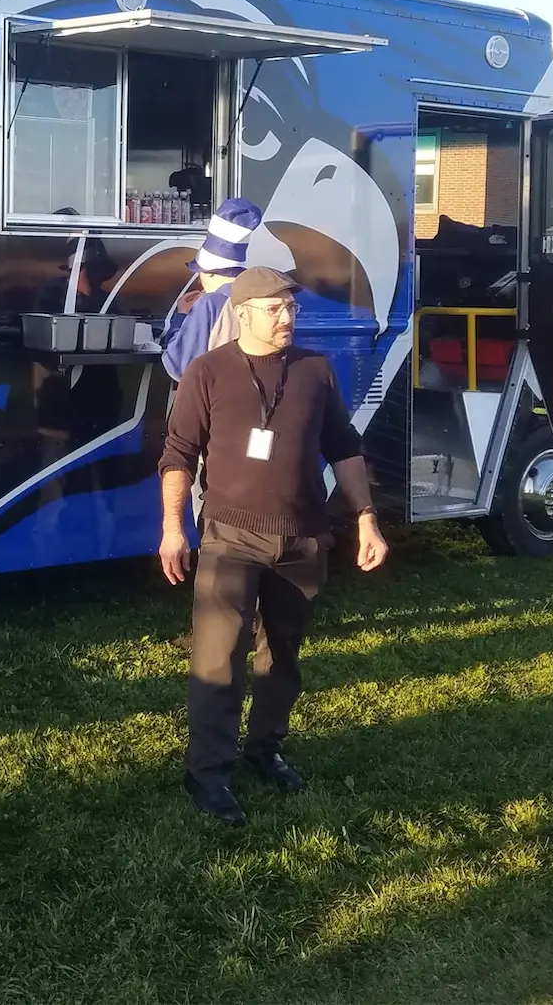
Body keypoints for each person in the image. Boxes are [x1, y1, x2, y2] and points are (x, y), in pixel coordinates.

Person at [157, 267, 390, 825]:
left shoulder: (315, 370)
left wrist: (366, 518)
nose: (288, 318)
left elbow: (345, 448)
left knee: (281, 654)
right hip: (230, 536)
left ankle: (266, 748)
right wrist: (172, 527)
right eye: (275, 309)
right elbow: (178, 454)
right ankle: (208, 774)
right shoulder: (207, 371)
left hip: (303, 536)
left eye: (292, 308)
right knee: (219, 658)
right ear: (242, 312)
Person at [161, 199, 265, 383]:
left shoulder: (210, 302)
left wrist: (182, 316)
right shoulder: (263, 297)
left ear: (207, 274)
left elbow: (178, 365)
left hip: (218, 400)